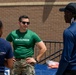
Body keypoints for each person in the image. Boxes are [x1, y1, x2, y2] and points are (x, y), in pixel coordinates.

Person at [56, 3, 76, 75]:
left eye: (65, 13)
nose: (64, 16)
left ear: (70, 14)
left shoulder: (69, 32)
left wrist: (58, 73)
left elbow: (66, 57)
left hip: (71, 70)